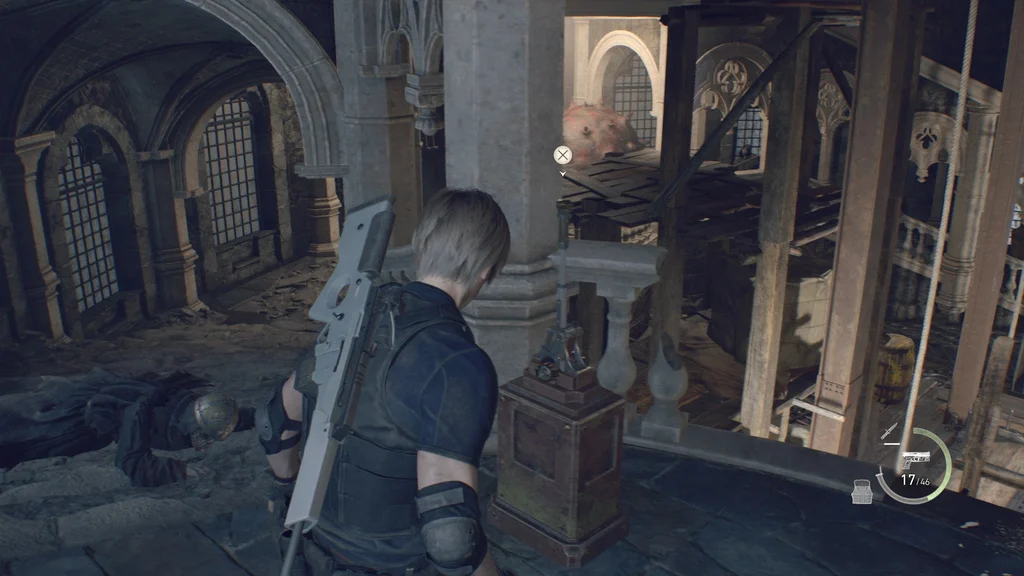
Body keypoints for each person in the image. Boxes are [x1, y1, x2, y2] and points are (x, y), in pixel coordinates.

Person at [257, 188, 513, 576]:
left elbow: (274, 419)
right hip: (397, 565)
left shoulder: (356, 316)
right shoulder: (459, 363)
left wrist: (285, 488)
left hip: (313, 545)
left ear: (422, 246)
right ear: (487, 270)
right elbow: (450, 535)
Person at [0, 369, 254, 487]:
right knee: (18, 436)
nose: (207, 442)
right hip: (70, 426)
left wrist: (256, 416)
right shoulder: (140, 414)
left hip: (81, 400)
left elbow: (224, 418)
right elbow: (130, 459)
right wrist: (180, 469)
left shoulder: (188, 404)